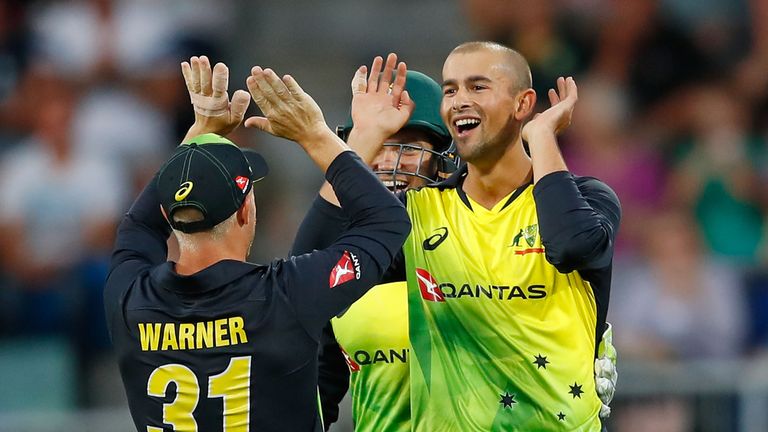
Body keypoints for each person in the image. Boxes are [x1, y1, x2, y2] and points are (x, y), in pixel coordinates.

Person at [294, 43, 621, 431]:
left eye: (477, 87)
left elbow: (572, 246)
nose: (460, 100)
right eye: (451, 90)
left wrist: (543, 135)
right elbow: (311, 272)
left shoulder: (587, 198)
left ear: (523, 104)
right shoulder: (418, 213)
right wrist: (361, 139)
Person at [103, 55, 412, 431]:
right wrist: (315, 135)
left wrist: (197, 136)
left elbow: (138, 226)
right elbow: (388, 218)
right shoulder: (286, 295)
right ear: (246, 212)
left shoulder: (128, 299)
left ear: (168, 215)